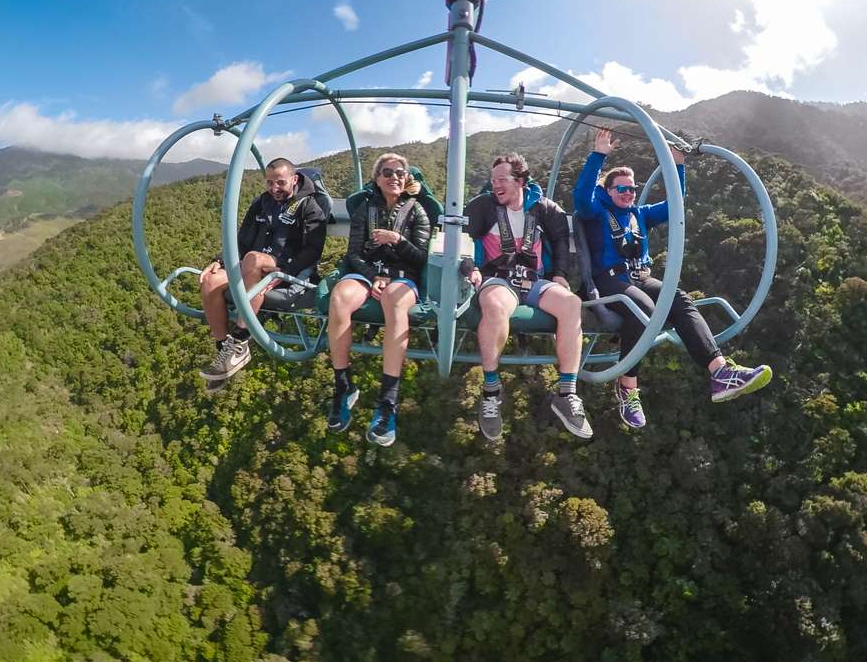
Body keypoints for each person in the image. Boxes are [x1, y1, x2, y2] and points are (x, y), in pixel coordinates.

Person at [574, 126, 771, 428]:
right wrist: (598, 155)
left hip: (638, 278)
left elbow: (674, 206)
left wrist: (678, 165)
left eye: (632, 189)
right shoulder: (596, 211)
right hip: (609, 281)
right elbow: (582, 197)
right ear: (607, 191)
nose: (628, 194)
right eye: (621, 189)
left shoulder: (639, 214)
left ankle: (720, 372)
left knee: (679, 300)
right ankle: (628, 388)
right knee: (647, 312)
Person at [462, 152, 592, 442]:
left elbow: (560, 239)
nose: (496, 185)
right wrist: (471, 269)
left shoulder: (544, 209)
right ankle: (492, 389)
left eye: (502, 180)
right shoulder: (483, 207)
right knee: (495, 307)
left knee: (571, 304)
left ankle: (567, 393)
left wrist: (559, 273)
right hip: (499, 279)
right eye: (493, 180)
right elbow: (460, 237)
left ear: (520, 181)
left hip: (534, 280)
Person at [325, 153, 434, 446]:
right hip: (369, 274)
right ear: (377, 178)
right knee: (340, 298)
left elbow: (421, 258)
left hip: (403, 277)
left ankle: (387, 403)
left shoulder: (417, 211)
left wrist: (398, 241)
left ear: (407, 177)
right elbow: (354, 253)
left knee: (395, 301)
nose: (394, 176)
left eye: (400, 172)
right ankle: (343, 387)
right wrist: (374, 275)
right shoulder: (365, 210)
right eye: (387, 172)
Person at [198, 158, 329, 388]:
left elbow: (313, 250)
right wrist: (219, 261)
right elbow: (242, 239)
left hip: (284, 268)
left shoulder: (309, 206)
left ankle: (239, 339)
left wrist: (287, 270)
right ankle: (224, 352)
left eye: (280, 182)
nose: (274, 189)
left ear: (294, 179)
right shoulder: (262, 203)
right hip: (252, 265)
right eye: (269, 183)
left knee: (254, 259)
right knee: (210, 280)